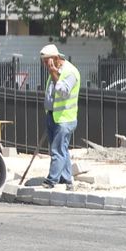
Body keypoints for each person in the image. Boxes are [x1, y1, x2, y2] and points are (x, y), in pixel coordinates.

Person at [37, 44, 80, 188]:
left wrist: (53, 73)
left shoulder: (70, 72)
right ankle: (67, 179)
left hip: (65, 119)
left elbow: (63, 92)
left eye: (46, 61)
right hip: (54, 116)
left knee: (57, 150)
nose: (45, 64)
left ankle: (51, 180)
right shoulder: (54, 71)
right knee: (62, 150)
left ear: (55, 58)